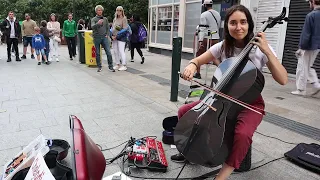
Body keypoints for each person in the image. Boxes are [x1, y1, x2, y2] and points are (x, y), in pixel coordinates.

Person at [172, 5, 288, 180]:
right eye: (233, 23)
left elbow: (283, 79)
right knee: (184, 112)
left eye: (243, 22)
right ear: (227, 26)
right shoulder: (223, 46)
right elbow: (197, 60)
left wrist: (267, 52)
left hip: (250, 103)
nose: (238, 27)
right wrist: (191, 65)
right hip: (221, 97)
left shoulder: (260, 48)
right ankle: (191, 150)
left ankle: (223, 174)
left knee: (242, 134)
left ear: (249, 24)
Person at [291, 0, 320, 96]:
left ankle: (301, 90)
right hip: (317, 46)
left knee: (302, 67)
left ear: (313, 2)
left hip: (308, 46)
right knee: (308, 66)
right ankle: (316, 84)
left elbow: (306, 34)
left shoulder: (311, 15)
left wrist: (301, 48)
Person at [194, 0, 221, 79]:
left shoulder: (204, 14)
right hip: (215, 37)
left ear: (205, 6)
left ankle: (198, 73)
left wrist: (200, 40)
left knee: (198, 55)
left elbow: (203, 28)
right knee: (214, 56)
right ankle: (223, 72)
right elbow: (218, 26)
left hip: (207, 38)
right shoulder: (217, 14)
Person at [91, 5, 115, 72]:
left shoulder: (105, 19)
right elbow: (92, 26)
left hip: (104, 37)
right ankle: (99, 66)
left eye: (101, 10)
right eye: (98, 10)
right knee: (98, 53)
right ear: (96, 11)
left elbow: (108, 28)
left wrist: (107, 35)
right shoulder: (93, 19)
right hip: (97, 37)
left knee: (108, 52)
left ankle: (110, 66)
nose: (100, 11)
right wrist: (98, 24)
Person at [111, 6, 129, 71]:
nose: (118, 11)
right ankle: (117, 64)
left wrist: (117, 35)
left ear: (122, 11)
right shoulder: (115, 19)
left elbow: (125, 29)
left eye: (120, 10)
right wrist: (111, 35)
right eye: (117, 10)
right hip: (114, 37)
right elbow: (112, 28)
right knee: (115, 51)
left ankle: (124, 65)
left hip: (121, 37)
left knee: (121, 51)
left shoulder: (124, 18)